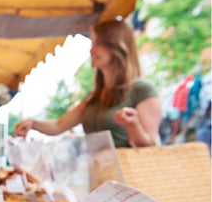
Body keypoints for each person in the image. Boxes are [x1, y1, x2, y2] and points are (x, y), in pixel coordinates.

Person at [14, 19, 161, 148]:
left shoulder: (141, 89)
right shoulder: (94, 97)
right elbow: (58, 126)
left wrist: (132, 124)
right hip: (99, 175)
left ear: (115, 45)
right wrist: (33, 124)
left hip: (129, 176)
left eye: (97, 43)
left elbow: (150, 146)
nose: (91, 50)